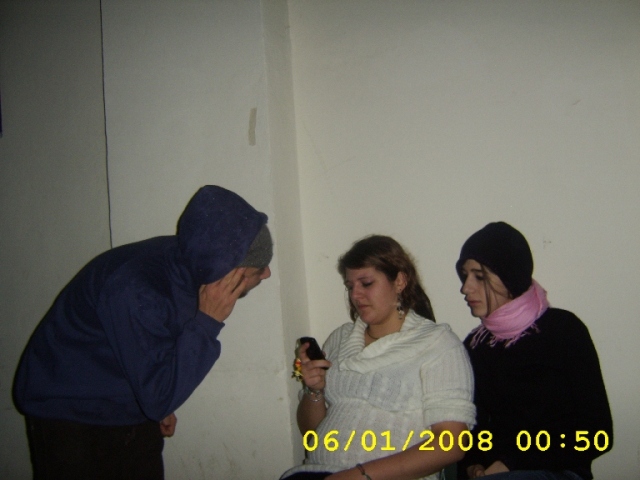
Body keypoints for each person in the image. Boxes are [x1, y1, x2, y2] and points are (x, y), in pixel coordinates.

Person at [13, 185, 273, 480]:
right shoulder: (136, 286)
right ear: (227, 271)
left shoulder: (192, 265)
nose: (266, 274)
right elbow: (158, 389)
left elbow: (151, 352)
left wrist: (155, 394)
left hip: (128, 405)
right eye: (258, 268)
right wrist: (207, 323)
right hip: (69, 413)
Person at [281, 235, 476, 480]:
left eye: (366, 283)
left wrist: (360, 475)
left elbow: (452, 444)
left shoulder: (438, 344)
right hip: (318, 471)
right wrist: (314, 390)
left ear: (400, 281)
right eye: (350, 286)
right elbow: (312, 435)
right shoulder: (340, 339)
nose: (356, 295)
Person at [454, 222, 613, 480]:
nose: (465, 287)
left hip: (559, 472)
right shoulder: (476, 345)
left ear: (509, 276)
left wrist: (511, 463)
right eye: (465, 275)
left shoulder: (562, 330)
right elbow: (474, 427)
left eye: (479, 276)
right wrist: (473, 464)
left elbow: (598, 433)